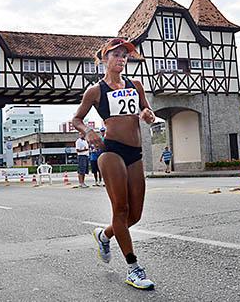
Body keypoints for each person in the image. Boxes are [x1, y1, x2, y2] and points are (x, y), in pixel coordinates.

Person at [72, 37, 156, 290]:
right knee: (120, 209)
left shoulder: (136, 85)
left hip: (135, 152)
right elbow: (77, 119)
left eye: (124, 55)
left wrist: (147, 114)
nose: (121, 59)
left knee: (135, 215)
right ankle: (133, 268)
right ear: (104, 59)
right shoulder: (95, 91)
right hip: (110, 151)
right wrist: (88, 132)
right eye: (116, 55)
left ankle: (104, 234)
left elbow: (147, 112)